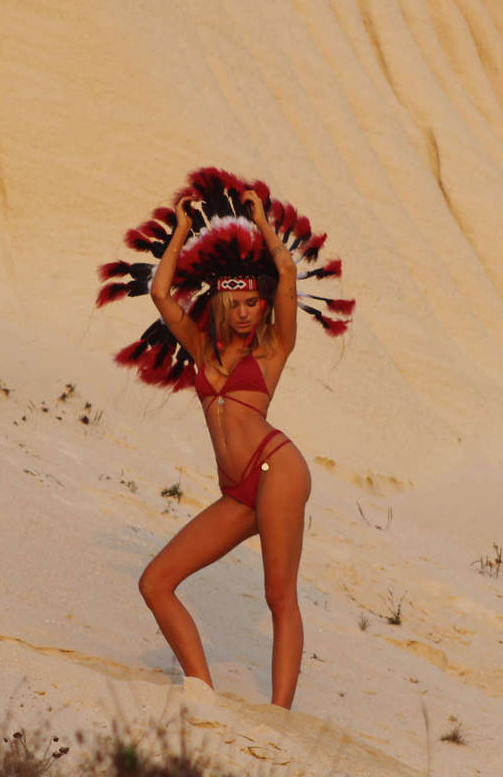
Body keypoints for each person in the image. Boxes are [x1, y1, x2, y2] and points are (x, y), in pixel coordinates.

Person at [136, 188, 311, 709]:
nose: (244, 312)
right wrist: (181, 232)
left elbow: (287, 274)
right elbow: (161, 292)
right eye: (234, 303)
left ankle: (280, 716)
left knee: (278, 595)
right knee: (156, 581)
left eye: (253, 302)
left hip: (277, 468)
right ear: (219, 303)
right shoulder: (200, 347)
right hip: (237, 491)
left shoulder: (274, 347)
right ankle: (201, 694)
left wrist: (261, 222)